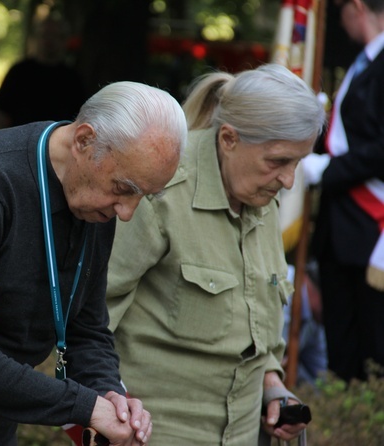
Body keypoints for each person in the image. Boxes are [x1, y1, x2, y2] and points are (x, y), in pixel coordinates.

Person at [0, 81, 187, 446]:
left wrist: (108, 395)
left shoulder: (96, 200)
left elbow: (87, 328)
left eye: (142, 196)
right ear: (84, 140)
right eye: (124, 188)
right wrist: (83, 405)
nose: (127, 212)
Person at [104, 64, 326, 445]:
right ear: (228, 138)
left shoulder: (260, 197)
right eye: (277, 161)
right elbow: (90, 320)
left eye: (298, 163)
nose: (289, 181)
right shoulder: (162, 194)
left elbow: (254, 327)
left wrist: (272, 385)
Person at [303, 0, 384, 383]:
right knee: (344, 354)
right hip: (343, 229)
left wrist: (327, 169)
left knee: (374, 350)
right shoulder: (364, 61)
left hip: (371, 226)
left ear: (356, 6)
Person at [0, 14, 87, 130]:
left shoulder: (72, 78)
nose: (49, 41)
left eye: (56, 36)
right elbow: (1, 113)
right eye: (45, 35)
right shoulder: (19, 72)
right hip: (19, 139)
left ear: (64, 40)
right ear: (36, 38)